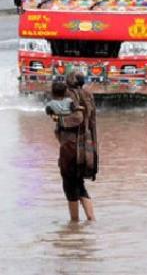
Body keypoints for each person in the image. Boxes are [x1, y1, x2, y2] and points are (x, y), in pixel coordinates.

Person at [46, 80, 95, 222]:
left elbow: (59, 135)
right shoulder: (82, 117)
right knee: (80, 185)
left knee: (70, 187)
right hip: (83, 153)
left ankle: (74, 222)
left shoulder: (61, 119)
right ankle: (91, 219)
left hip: (68, 154)